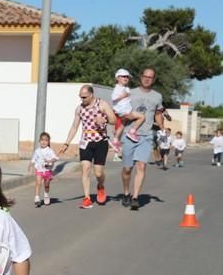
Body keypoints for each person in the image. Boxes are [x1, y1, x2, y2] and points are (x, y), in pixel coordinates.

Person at [59, 85, 117, 209]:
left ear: (91, 95)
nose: (82, 99)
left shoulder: (102, 104)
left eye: (84, 97)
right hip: (85, 141)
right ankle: (87, 198)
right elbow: (74, 126)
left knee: (98, 172)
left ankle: (100, 187)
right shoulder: (79, 109)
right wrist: (67, 143)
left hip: (100, 141)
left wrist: (104, 120)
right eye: (80, 97)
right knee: (85, 168)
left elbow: (114, 120)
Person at [120, 68, 163, 210]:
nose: (147, 79)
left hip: (146, 135)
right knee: (127, 169)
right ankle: (126, 192)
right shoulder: (130, 93)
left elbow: (157, 114)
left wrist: (162, 129)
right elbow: (121, 112)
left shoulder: (157, 96)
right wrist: (129, 116)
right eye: (145, 76)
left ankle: (135, 197)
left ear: (154, 79)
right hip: (129, 134)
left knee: (141, 166)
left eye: (150, 77)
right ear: (140, 77)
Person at [110, 68, 145, 149]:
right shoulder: (118, 88)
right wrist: (122, 96)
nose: (126, 78)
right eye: (123, 76)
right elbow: (113, 98)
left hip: (123, 112)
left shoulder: (126, 88)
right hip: (125, 111)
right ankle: (132, 132)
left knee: (122, 125)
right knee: (142, 117)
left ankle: (115, 140)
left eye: (127, 77)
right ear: (117, 78)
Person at [28, 132, 58, 207]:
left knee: (46, 185)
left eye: (46, 140)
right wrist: (30, 165)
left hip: (47, 170)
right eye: (42, 140)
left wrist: (50, 161)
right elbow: (33, 159)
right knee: (38, 183)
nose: (44, 142)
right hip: (39, 170)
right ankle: (37, 197)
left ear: (48, 142)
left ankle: (46, 195)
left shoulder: (50, 150)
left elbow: (55, 158)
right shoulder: (37, 151)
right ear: (39, 141)